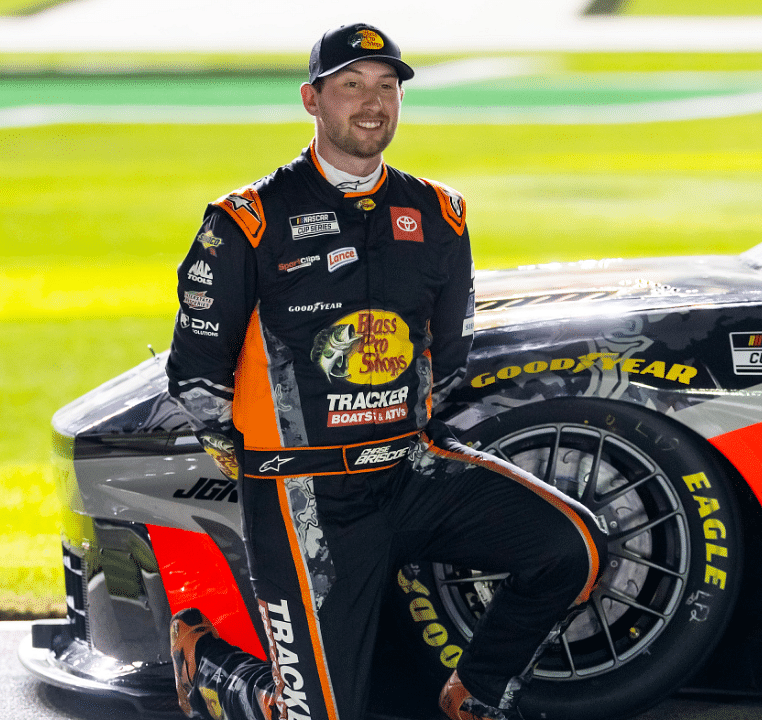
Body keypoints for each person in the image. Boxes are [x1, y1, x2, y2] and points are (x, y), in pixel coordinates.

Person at [163, 22, 605, 720]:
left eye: (387, 86)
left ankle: (477, 692)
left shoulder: (439, 212)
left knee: (570, 547)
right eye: (351, 86)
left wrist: (400, 433)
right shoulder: (246, 220)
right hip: (303, 495)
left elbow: (448, 354)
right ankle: (209, 664)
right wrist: (270, 468)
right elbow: (196, 377)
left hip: (406, 470)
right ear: (312, 99)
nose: (372, 103)